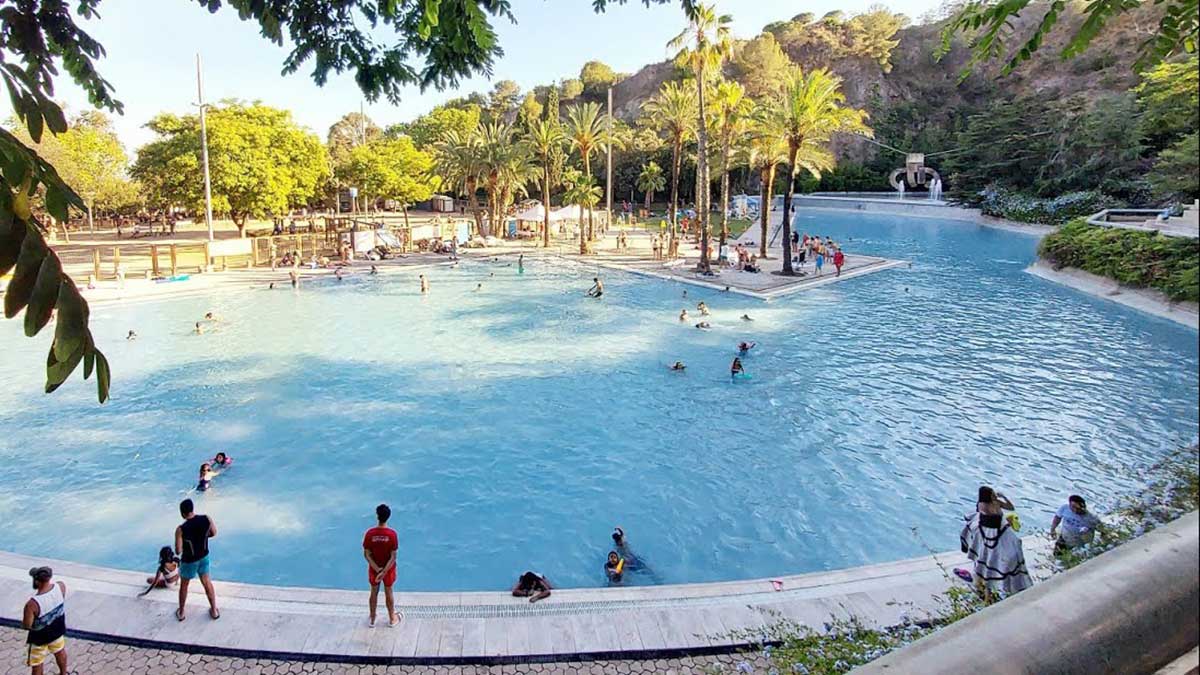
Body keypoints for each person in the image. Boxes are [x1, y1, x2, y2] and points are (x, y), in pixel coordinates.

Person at [960, 493, 1033, 600]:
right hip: (993, 538)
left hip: (989, 540)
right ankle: (986, 592)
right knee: (986, 566)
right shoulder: (991, 506)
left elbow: (1009, 508)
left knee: (983, 566)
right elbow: (1006, 510)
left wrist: (1003, 497)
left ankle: (985, 592)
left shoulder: (988, 507)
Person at [175, 499, 219, 621]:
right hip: (204, 556)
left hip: (189, 561)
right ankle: (214, 610)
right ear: (192, 509)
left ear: (182, 513)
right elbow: (214, 533)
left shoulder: (181, 529)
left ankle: (182, 612)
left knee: (184, 585)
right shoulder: (206, 518)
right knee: (207, 583)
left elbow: (178, 550)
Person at [22, 566, 68, 675]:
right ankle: (63, 673)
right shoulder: (61, 586)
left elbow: (27, 625)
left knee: (37, 663)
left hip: (39, 638)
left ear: (37, 581)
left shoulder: (32, 604)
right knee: (60, 651)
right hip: (57, 631)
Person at [363, 503, 401, 627]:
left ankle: (372, 618)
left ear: (377, 516)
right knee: (389, 591)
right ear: (388, 517)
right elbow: (393, 556)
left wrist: (377, 569)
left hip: (375, 569)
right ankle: (392, 619)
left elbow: (367, 554)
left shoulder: (370, 533)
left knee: (373, 592)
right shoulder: (392, 535)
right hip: (388, 569)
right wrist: (384, 571)